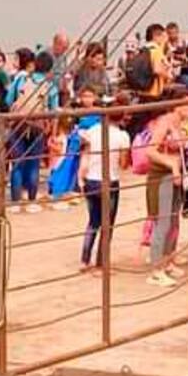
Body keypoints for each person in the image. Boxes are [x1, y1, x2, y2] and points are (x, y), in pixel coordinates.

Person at [143, 90, 188, 286]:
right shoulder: (165, 122)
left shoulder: (181, 123)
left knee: (172, 221)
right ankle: (156, 269)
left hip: (176, 177)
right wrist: (171, 164)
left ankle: (167, 260)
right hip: (162, 176)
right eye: (187, 104)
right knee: (162, 223)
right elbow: (150, 150)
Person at [77, 100, 130, 270]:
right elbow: (123, 164)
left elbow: (84, 154)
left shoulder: (92, 131)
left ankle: (84, 260)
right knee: (108, 224)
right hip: (110, 180)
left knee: (93, 222)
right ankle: (101, 261)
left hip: (91, 180)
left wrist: (81, 178)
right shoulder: (122, 136)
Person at [8, 50, 60, 213]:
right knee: (34, 165)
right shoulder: (50, 86)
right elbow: (54, 111)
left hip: (18, 124)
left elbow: (8, 100)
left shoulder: (21, 80)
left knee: (17, 164)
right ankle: (31, 201)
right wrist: (53, 133)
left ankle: (15, 202)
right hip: (38, 128)